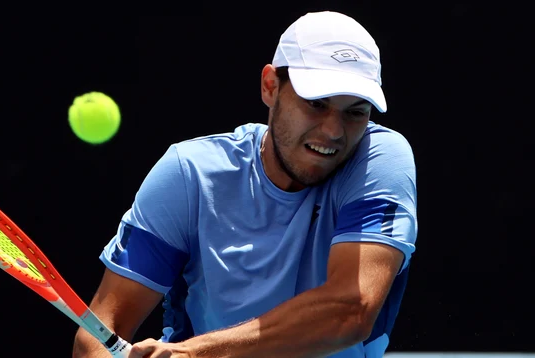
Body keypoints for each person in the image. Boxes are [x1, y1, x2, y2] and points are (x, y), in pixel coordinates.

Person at [73, 10, 418, 358]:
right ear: (270, 87)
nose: (333, 131)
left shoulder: (380, 159)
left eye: (355, 112)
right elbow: (98, 335)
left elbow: (350, 312)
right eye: (316, 103)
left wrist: (196, 354)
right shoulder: (188, 174)